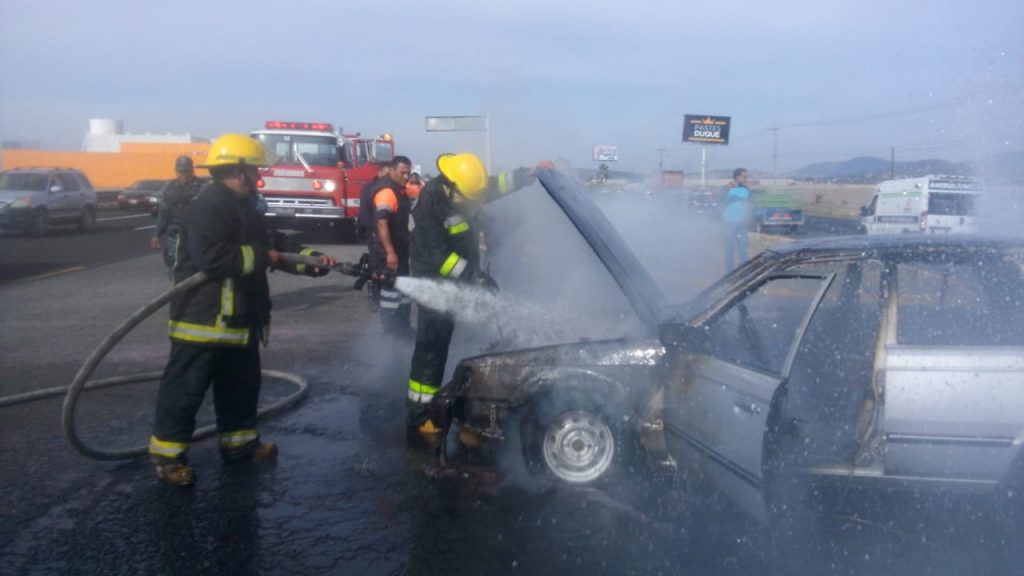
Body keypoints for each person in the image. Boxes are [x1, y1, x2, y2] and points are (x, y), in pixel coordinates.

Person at [148, 134, 337, 487]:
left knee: (241, 388)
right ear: (237, 171)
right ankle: (169, 458)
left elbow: (273, 243)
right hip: (203, 322)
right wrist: (264, 257)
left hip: (240, 320)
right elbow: (214, 258)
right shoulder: (206, 208)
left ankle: (240, 446)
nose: (259, 175)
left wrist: (308, 260)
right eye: (254, 169)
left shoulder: (244, 206)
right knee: (185, 392)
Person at [406, 153, 544, 441]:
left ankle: (458, 404)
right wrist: (475, 278)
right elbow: (438, 257)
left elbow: (495, 186)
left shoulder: (463, 191)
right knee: (431, 350)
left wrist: (528, 174)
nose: (473, 202)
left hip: (459, 280)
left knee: (455, 341)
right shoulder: (430, 205)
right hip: (434, 285)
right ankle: (419, 420)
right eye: (468, 197)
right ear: (451, 186)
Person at [366, 155, 414, 336]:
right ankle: (390, 331)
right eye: (402, 172)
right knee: (391, 292)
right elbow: (381, 222)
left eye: (408, 173)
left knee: (402, 291)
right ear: (392, 170)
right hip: (388, 253)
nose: (406, 176)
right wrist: (390, 252)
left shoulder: (398, 190)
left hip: (399, 251)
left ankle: (402, 329)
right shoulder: (387, 192)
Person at [151, 156, 204, 274]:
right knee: (173, 266)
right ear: (176, 171)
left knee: (195, 266)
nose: (184, 174)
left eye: (187, 171)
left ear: (192, 171)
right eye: (181, 171)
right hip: (174, 235)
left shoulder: (203, 187)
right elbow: (163, 212)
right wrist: (157, 234)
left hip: (194, 235)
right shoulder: (168, 187)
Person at [722, 167, 753, 272]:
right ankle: (729, 274)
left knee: (743, 250)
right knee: (729, 250)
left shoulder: (747, 190)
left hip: (742, 224)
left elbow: (751, 206)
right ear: (737, 177)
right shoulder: (727, 189)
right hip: (728, 223)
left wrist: (748, 217)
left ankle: (744, 274)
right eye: (744, 177)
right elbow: (718, 200)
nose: (746, 179)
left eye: (746, 177)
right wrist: (725, 189)